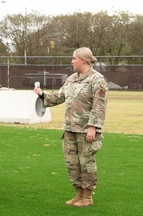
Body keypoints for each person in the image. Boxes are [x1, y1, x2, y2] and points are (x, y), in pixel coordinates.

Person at [33, 47, 108, 207]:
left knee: (86, 162)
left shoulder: (97, 79)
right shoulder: (72, 78)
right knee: (72, 163)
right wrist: (42, 94)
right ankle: (78, 194)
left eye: (74, 58)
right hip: (70, 129)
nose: (72, 61)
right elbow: (59, 97)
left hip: (86, 130)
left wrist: (93, 127)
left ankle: (87, 197)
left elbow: (99, 105)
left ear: (83, 59)